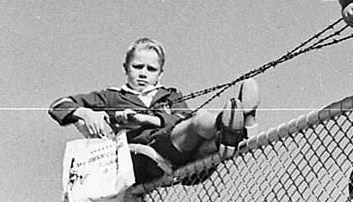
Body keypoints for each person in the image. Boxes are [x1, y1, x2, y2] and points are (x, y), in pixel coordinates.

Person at [48, 37, 259, 183]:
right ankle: (235, 123)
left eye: (151, 69)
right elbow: (58, 105)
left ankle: (234, 131)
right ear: (125, 68)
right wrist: (86, 112)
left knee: (206, 143)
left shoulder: (169, 95)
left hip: (187, 164)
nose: (143, 74)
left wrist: (147, 120)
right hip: (146, 159)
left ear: (160, 73)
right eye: (137, 67)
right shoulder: (111, 97)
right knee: (198, 122)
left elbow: (181, 117)